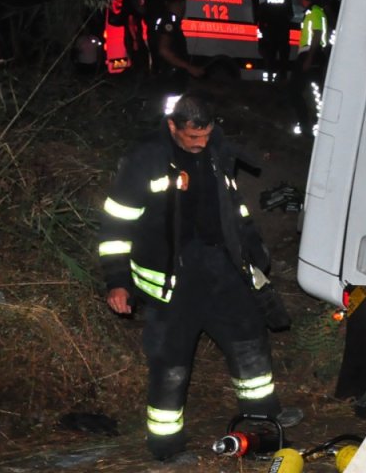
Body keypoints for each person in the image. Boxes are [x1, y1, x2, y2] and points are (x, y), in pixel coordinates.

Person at [97, 92, 300, 461]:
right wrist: (117, 281)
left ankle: (265, 420)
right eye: (193, 138)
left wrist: (253, 251)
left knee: (250, 343)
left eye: (206, 136)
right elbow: (116, 224)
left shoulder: (216, 150)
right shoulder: (146, 159)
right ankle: (166, 447)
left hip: (221, 268)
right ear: (173, 126)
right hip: (170, 283)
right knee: (171, 365)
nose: (200, 144)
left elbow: (234, 207)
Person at [138, 0, 201, 87]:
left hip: (175, 70)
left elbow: (182, 0)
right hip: (171, 74)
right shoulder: (168, 23)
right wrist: (189, 67)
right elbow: (164, 51)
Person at [288, 0, 328, 135]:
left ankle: (306, 126)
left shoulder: (314, 12)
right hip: (311, 54)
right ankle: (313, 124)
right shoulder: (314, 11)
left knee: (296, 91)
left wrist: (309, 58)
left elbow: (317, 34)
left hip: (310, 54)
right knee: (313, 90)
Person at [256, 0, 294, 82]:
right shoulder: (287, 1)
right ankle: (281, 80)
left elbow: (261, 16)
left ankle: (269, 80)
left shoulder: (268, 0)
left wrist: (263, 32)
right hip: (282, 35)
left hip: (270, 35)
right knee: (283, 60)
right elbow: (290, 16)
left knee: (270, 59)